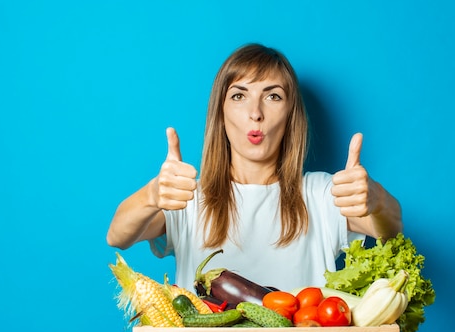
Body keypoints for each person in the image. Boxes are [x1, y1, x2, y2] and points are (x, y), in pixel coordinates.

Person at [106, 43, 402, 291]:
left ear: (290, 115)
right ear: (220, 114)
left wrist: (375, 199)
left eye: (273, 96)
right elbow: (117, 236)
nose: (255, 113)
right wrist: (152, 194)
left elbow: (392, 230)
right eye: (239, 95)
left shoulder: (321, 193)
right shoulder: (186, 197)